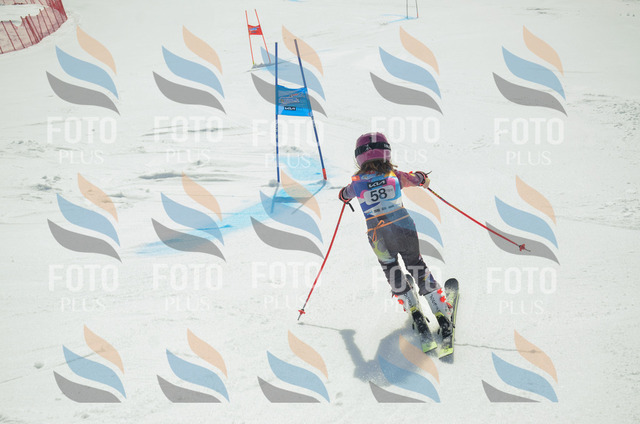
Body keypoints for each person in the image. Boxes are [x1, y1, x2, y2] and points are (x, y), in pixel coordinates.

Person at [338, 132, 452, 348]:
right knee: (416, 264)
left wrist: (344, 195)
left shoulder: (356, 183)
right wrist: (422, 177)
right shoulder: (395, 175)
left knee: (391, 269)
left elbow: (344, 194)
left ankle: (413, 309)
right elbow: (417, 179)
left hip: (378, 236)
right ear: (386, 152)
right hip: (403, 228)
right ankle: (441, 311)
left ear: (359, 157)